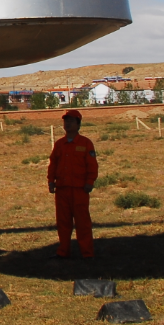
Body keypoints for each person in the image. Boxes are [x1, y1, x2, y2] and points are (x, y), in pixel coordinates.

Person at [47, 109, 98, 259]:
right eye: (65, 121)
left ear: (78, 124)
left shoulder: (85, 143)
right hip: (62, 189)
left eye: (71, 121)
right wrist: (51, 181)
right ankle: (63, 251)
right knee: (63, 223)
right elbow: (53, 164)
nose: (67, 123)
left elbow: (92, 165)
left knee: (82, 223)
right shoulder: (59, 144)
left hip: (80, 190)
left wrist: (90, 182)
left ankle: (87, 253)